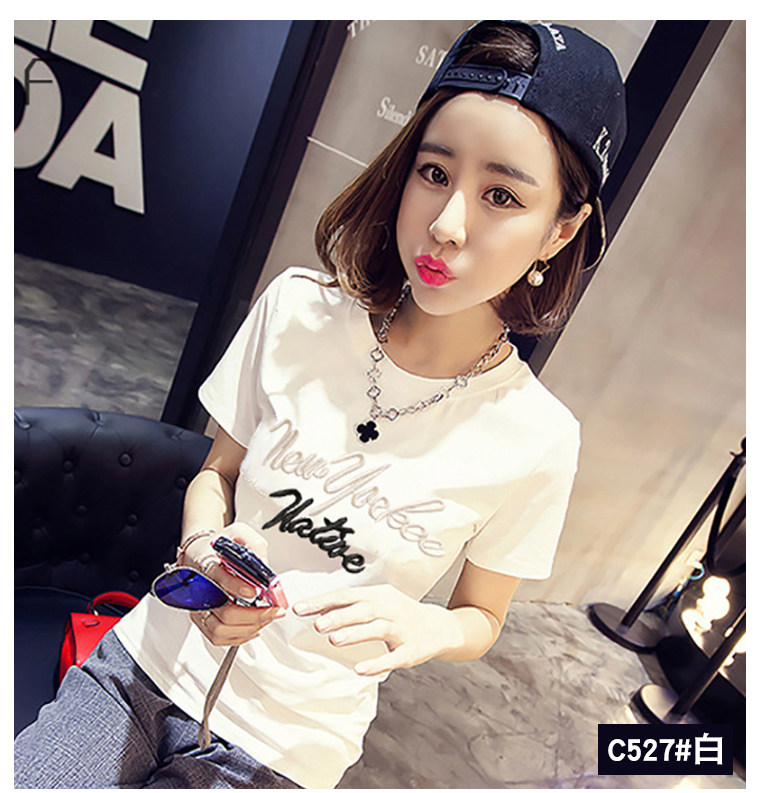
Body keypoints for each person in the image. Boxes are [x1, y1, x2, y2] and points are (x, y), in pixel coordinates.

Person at [14, 19, 627, 789]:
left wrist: (431, 624)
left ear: (560, 230)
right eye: (434, 172)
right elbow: (217, 472)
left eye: (501, 195)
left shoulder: (538, 437)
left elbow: (482, 616)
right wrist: (203, 547)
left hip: (285, 744)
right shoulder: (297, 308)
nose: (446, 224)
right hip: (145, 663)